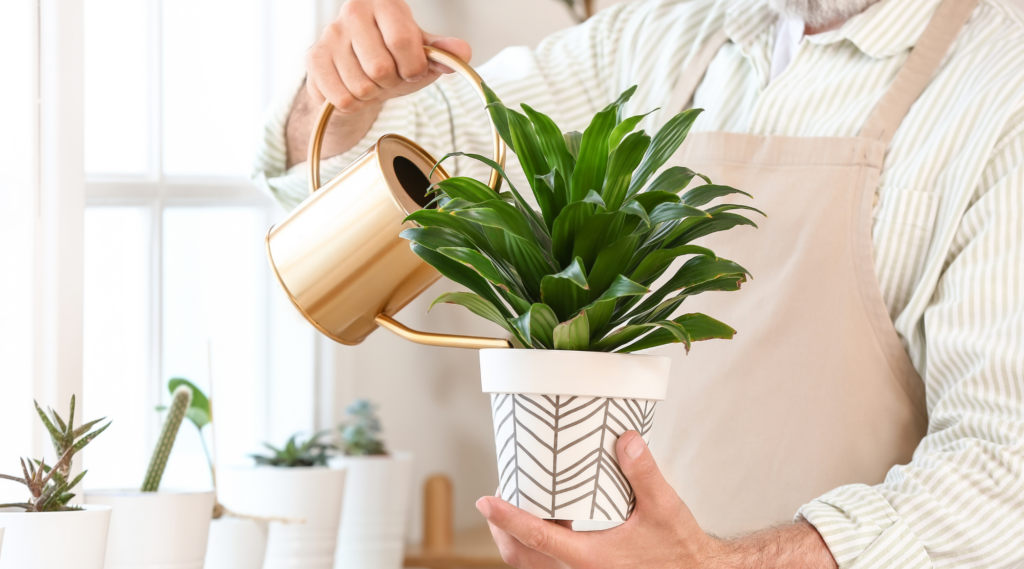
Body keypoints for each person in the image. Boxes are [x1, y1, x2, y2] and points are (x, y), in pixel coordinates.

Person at [252, 0, 1024, 566]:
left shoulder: (1002, 89)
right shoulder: (662, 35)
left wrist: (721, 563)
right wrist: (335, 102)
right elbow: (399, 166)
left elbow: (1002, 475)